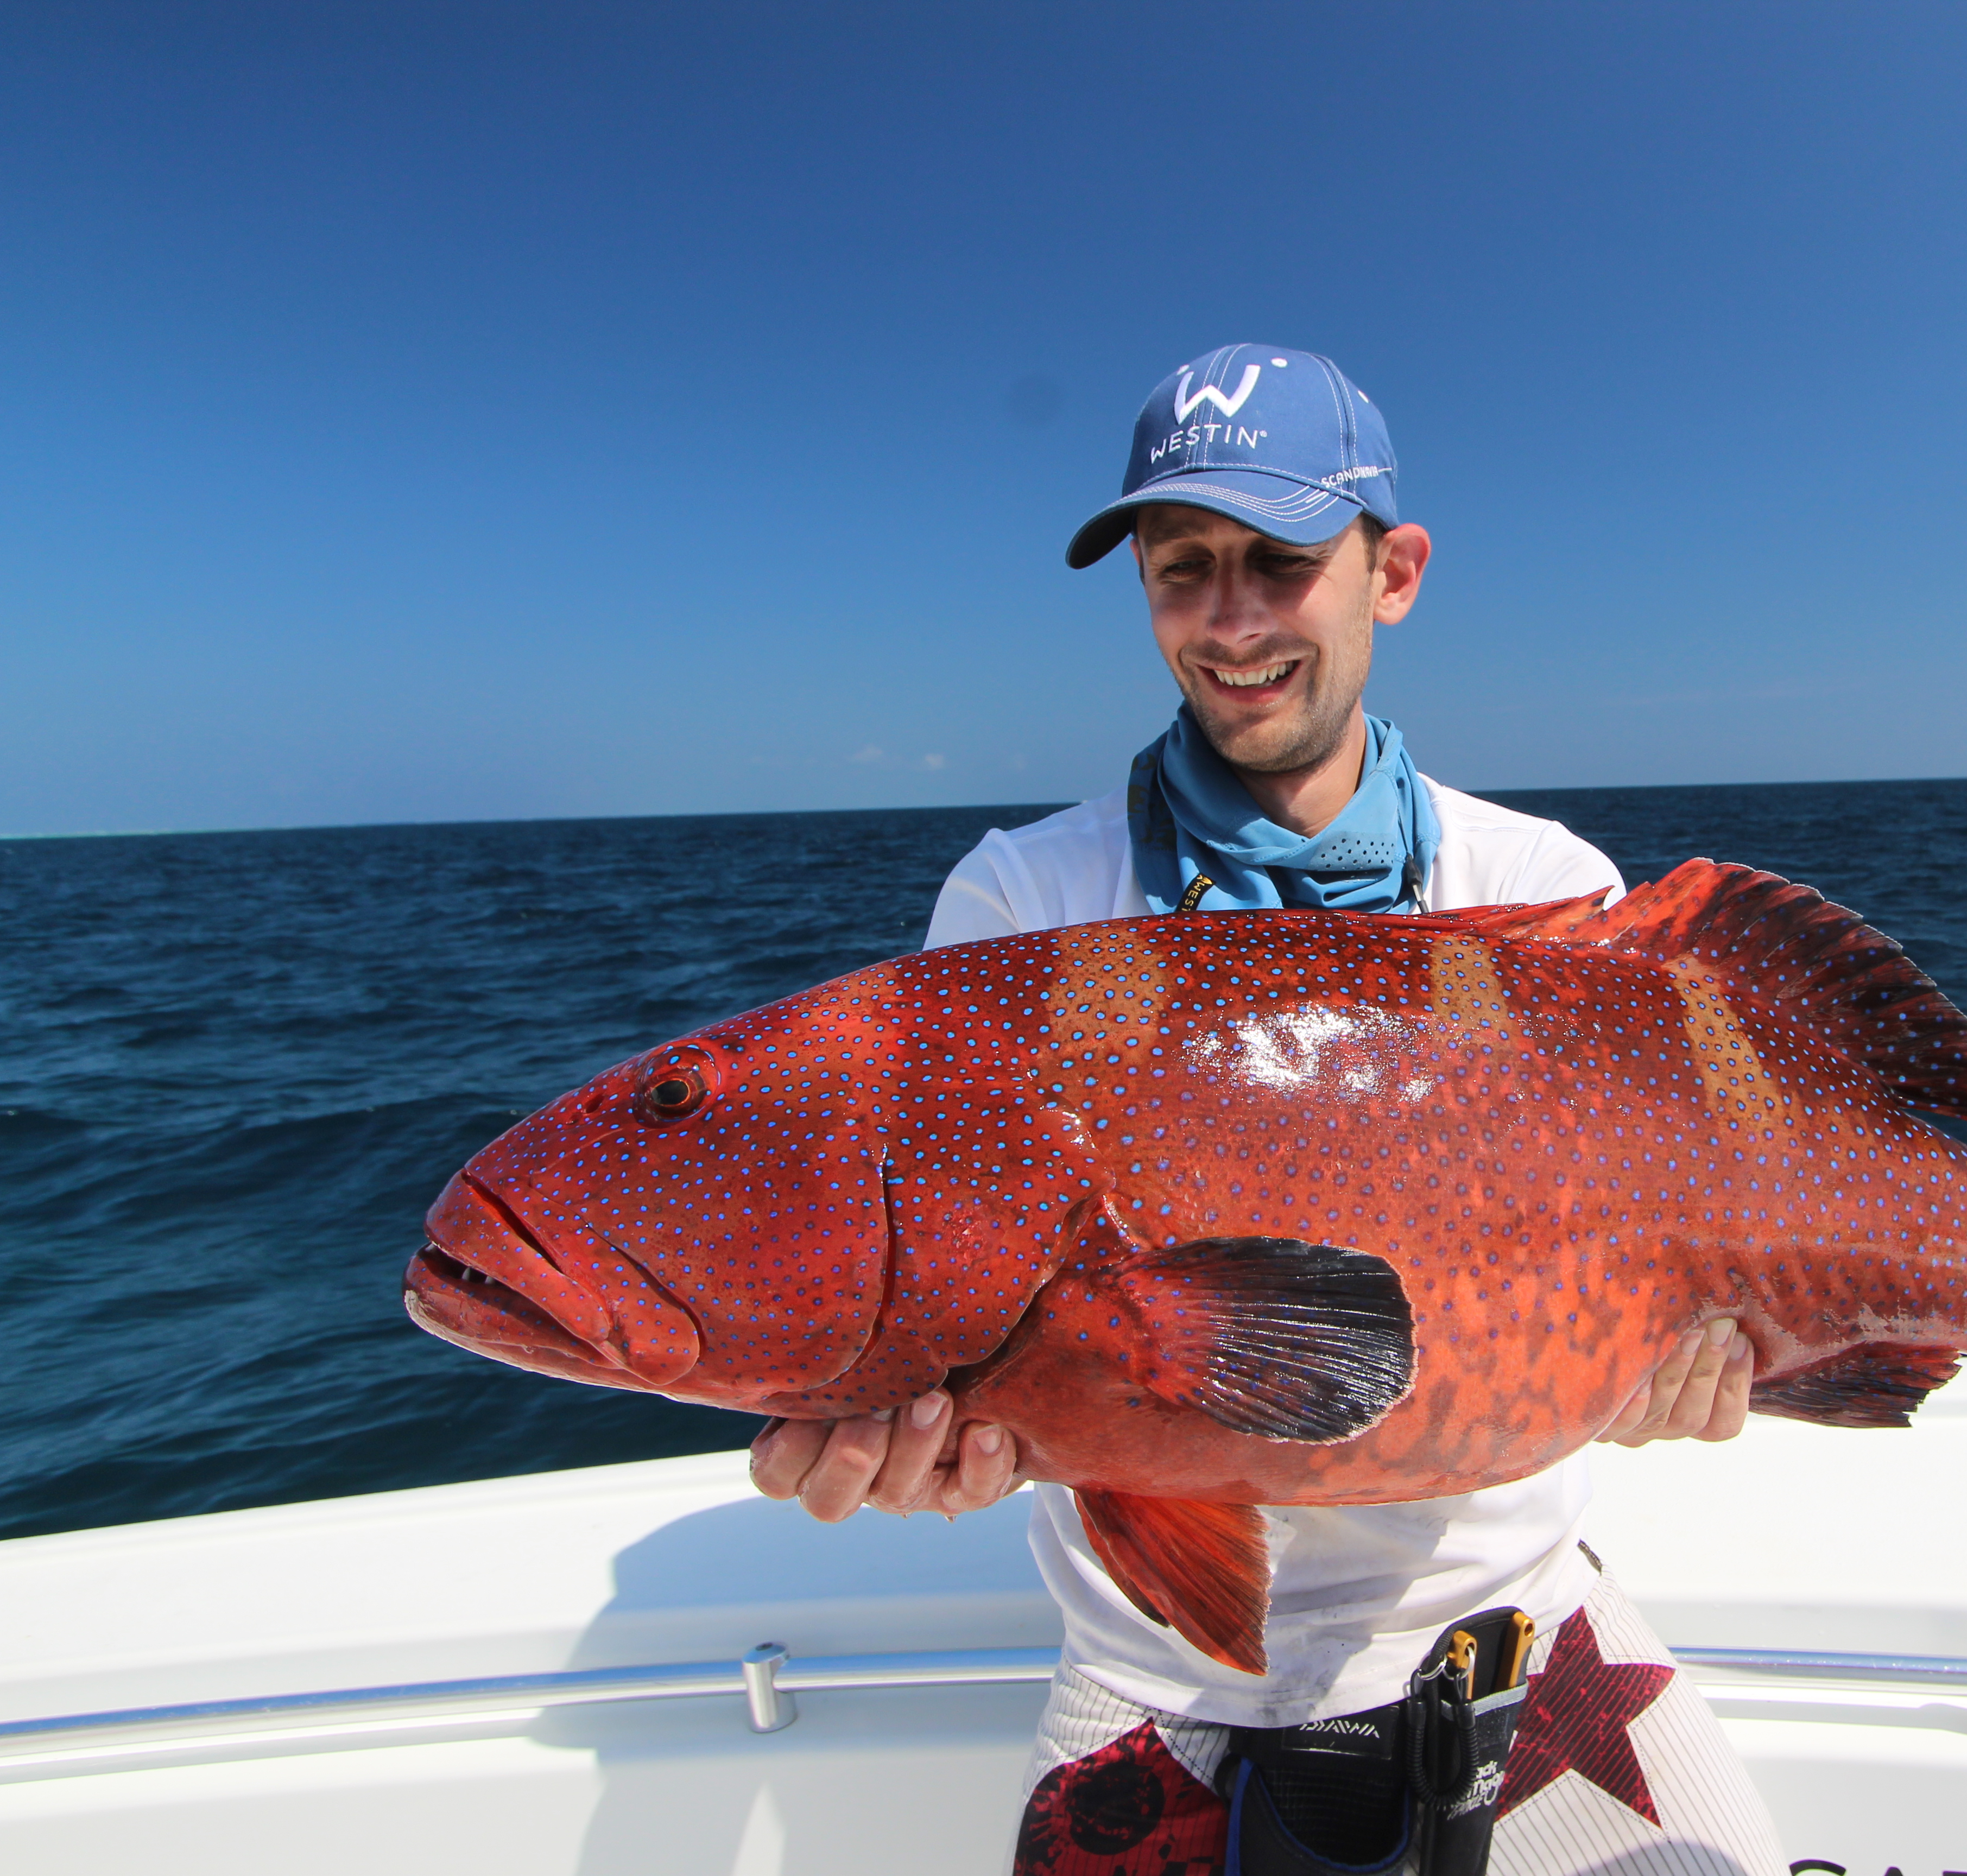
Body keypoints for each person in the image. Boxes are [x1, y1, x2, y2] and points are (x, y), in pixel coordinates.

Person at [750, 344, 1787, 1876]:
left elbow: (1672, 1242)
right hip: (1154, 1674)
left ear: (1395, 574)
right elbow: (982, 1289)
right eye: (1185, 572)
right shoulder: (1027, 901)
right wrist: (932, 1426)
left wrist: (1689, 1362)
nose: (1230, 622)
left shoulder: (1544, 891)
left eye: (1281, 562)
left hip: (1524, 1622)